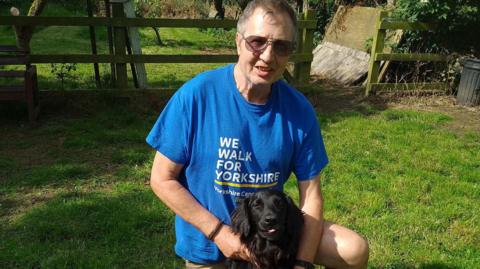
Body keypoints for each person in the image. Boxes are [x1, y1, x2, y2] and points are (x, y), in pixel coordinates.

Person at [146, 0, 369, 268]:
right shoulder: (196, 96)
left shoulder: (299, 111)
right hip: (211, 246)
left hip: (273, 240)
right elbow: (161, 179)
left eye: (281, 46)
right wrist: (220, 233)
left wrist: (302, 264)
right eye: (257, 41)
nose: (267, 56)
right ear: (238, 41)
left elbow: (311, 196)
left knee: (353, 250)